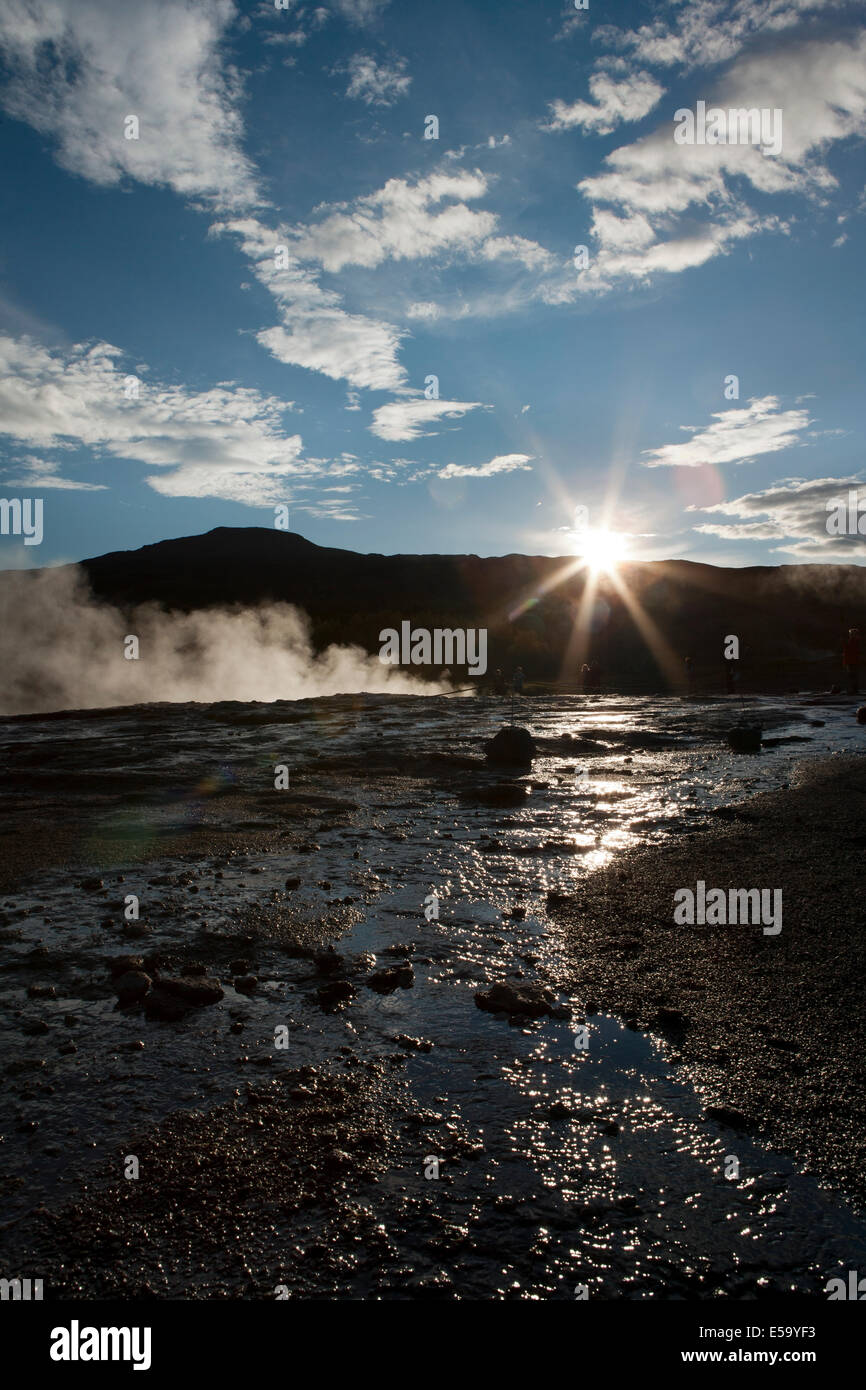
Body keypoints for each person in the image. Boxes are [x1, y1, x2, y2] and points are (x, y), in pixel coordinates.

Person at [843, 628, 861, 695]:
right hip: (852, 661)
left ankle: (854, 690)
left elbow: (848, 652)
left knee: (852, 675)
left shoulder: (853, 641)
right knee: (853, 675)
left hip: (852, 661)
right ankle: (854, 690)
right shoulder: (854, 641)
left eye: (851, 634)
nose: (850, 635)